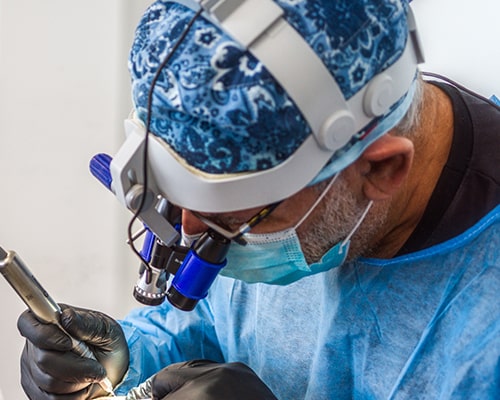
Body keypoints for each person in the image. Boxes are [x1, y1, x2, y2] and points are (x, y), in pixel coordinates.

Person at [17, 0, 500, 399]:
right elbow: (216, 320)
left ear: (379, 169)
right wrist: (133, 353)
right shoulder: (290, 193)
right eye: (175, 202)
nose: (189, 235)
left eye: (227, 226)